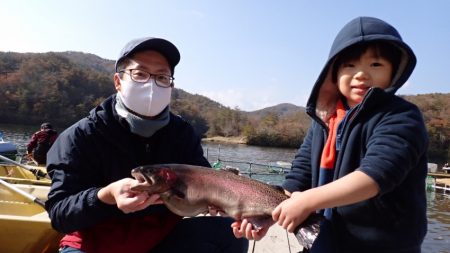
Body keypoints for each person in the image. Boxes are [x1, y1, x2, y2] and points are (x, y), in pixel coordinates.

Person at [233, 17, 428, 252]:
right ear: (333, 73)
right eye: (350, 66)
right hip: (326, 238)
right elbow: (299, 176)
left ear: (394, 71)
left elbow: (375, 176)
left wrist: (307, 201)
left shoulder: (401, 116)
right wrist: (266, 215)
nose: (361, 74)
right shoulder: (324, 121)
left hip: (384, 245)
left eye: (375, 65)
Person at [45, 37, 248, 253]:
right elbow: (59, 215)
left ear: (171, 85)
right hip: (94, 244)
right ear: (118, 81)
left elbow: (205, 182)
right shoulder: (80, 136)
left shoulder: (182, 134)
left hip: (161, 239)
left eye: (161, 77)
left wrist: (221, 200)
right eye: (139, 74)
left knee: (229, 233)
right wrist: (105, 196)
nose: (151, 85)